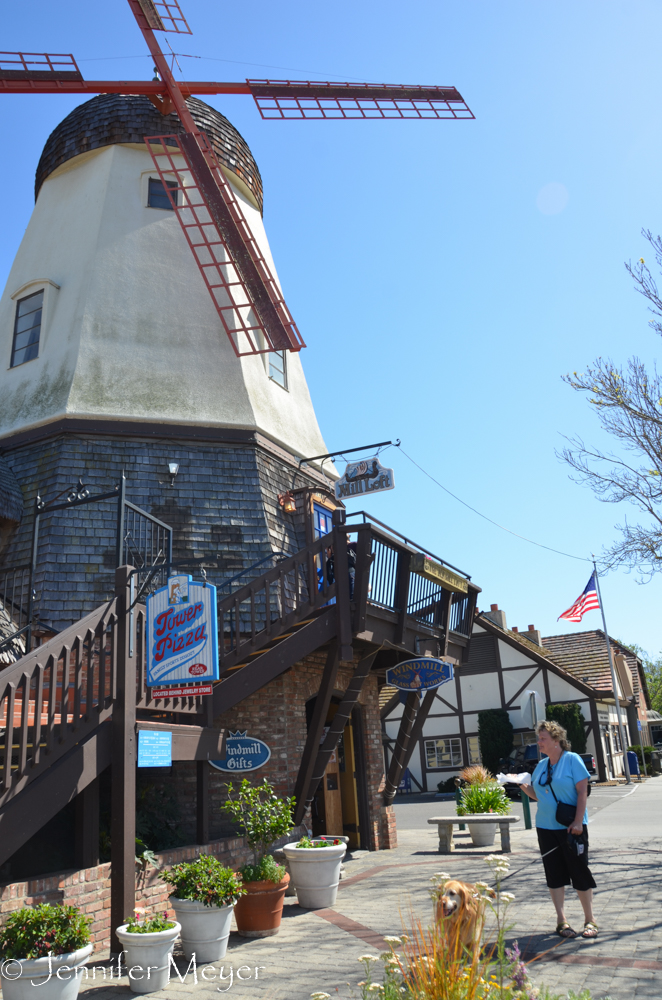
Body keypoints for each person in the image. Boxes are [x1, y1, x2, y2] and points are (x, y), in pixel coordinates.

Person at [520, 719, 598, 939]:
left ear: (557, 740)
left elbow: (583, 792)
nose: (539, 743)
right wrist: (520, 785)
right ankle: (561, 920)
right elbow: (537, 794)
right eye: (539, 738)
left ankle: (589, 919)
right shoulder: (542, 766)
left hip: (571, 828)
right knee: (554, 874)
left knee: (579, 871)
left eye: (543, 738)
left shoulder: (572, 760)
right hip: (545, 827)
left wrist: (577, 822)